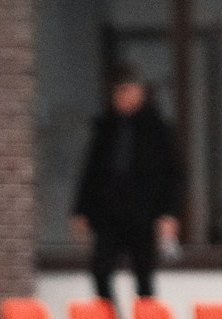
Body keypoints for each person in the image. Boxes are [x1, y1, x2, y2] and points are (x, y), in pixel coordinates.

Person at [70, 65, 186, 302]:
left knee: (144, 278)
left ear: (139, 92)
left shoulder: (157, 130)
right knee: (101, 271)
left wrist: (169, 213)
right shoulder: (106, 129)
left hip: (143, 214)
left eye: (126, 91)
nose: (121, 98)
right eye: (117, 93)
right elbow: (91, 172)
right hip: (109, 214)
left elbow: (173, 175)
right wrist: (81, 210)